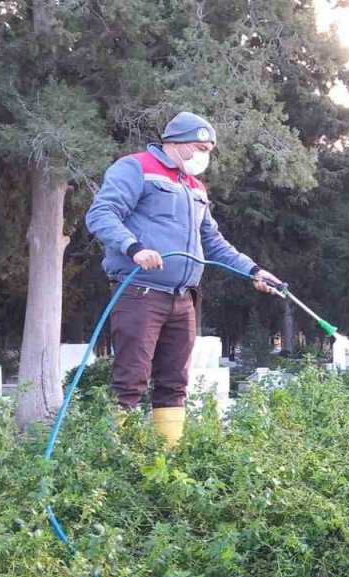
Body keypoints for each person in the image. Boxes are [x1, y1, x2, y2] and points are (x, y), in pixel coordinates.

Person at [85, 111, 281, 448]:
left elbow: (214, 242)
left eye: (208, 149)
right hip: (141, 291)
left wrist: (253, 271)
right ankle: (111, 459)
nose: (204, 155)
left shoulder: (195, 187)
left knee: (175, 382)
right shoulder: (136, 168)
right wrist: (135, 248)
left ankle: (168, 458)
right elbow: (101, 214)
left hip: (183, 297)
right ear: (174, 143)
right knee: (131, 378)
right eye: (199, 147)